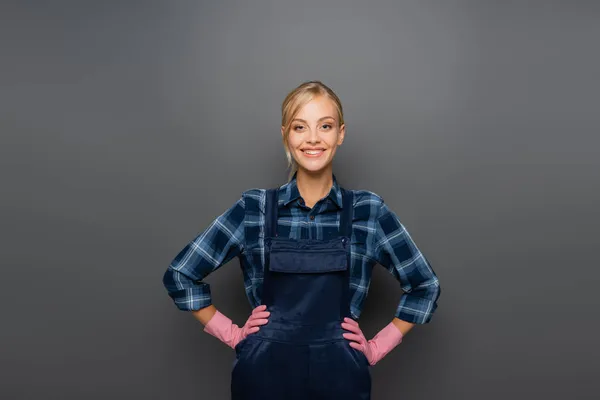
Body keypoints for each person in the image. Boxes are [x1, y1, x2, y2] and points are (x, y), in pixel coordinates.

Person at [162, 80, 441, 399]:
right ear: (285, 133)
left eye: (325, 126)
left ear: (341, 134)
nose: (313, 138)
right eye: (299, 126)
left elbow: (425, 286)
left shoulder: (368, 212)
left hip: (342, 381)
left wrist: (377, 347)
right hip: (262, 380)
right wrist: (233, 335)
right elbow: (180, 275)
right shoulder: (253, 210)